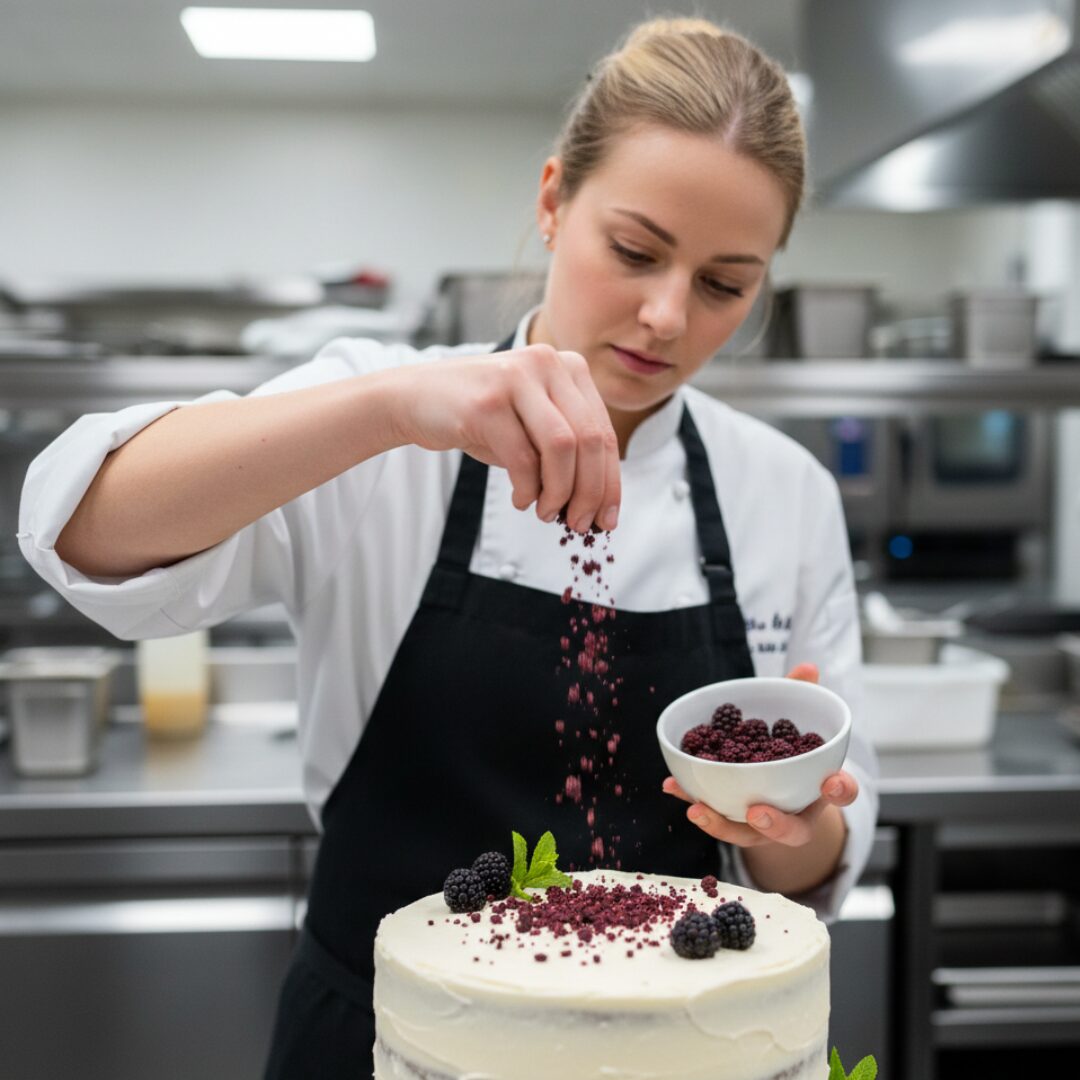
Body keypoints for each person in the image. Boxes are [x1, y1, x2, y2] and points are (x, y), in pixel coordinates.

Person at [19, 16, 878, 1078]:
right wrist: (388, 407)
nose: (665, 316)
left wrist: (794, 825)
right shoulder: (387, 424)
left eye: (723, 284)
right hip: (379, 1046)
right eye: (636, 251)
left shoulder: (782, 492)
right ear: (555, 200)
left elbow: (821, 863)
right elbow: (83, 528)